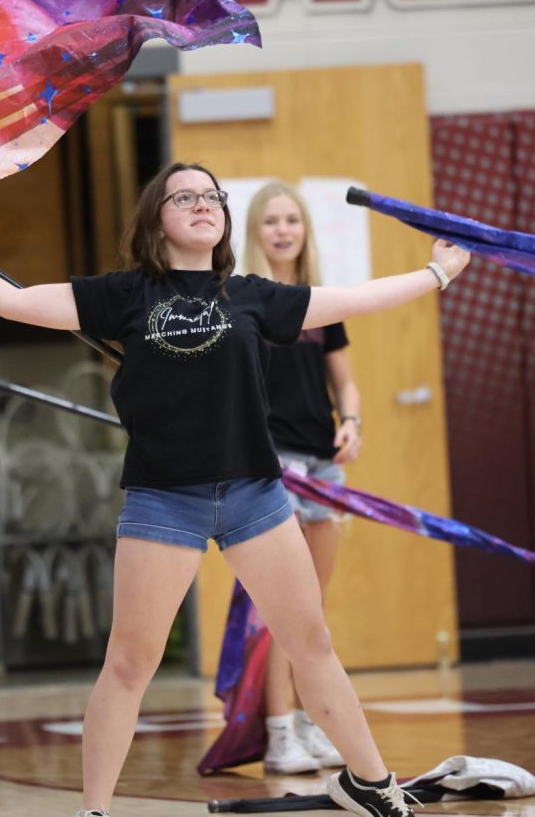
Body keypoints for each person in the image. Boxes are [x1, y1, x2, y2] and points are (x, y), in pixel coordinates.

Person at [0, 162, 469, 817]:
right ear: (156, 219)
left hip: (256, 494)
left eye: (212, 197)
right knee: (129, 664)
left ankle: (371, 783)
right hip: (164, 499)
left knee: (310, 643)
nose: (203, 205)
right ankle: (94, 811)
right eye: (185, 197)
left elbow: (350, 301)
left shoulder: (253, 294)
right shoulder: (123, 295)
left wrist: (436, 273)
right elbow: (11, 299)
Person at [238, 181, 361, 774]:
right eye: (271, 221)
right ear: (255, 232)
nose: (283, 230)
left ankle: (314, 726)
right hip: (273, 464)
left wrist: (353, 421)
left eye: (293, 220)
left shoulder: (320, 302)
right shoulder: (243, 302)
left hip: (322, 463)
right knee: (278, 609)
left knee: (313, 609)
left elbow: (345, 382)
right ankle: (279, 733)